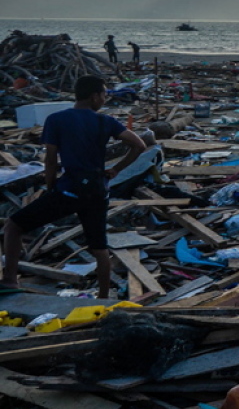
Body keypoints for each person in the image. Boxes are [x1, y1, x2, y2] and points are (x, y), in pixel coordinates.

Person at [2, 75, 146, 298]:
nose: (104, 100)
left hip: (69, 189)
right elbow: (139, 145)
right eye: (104, 95)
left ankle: (10, 280)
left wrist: (51, 186)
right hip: (98, 190)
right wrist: (116, 169)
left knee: (13, 226)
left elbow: (51, 159)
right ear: (94, 96)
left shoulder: (57, 119)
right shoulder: (105, 121)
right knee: (99, 247)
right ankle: (103, 298)